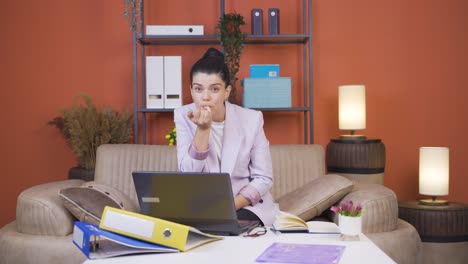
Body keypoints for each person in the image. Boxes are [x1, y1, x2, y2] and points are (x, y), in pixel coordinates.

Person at [174, 47, 279, 226]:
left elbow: (263, 178)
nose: (205, 97)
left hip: (243, 205)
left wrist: (227, 207)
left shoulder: (252, 119)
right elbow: (188, 174)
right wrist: (203, 129)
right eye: (198, 89)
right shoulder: (183, 115)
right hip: (202, 205)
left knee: (227, 223)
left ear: (227, 91)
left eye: (214, 89)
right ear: (191, 90)